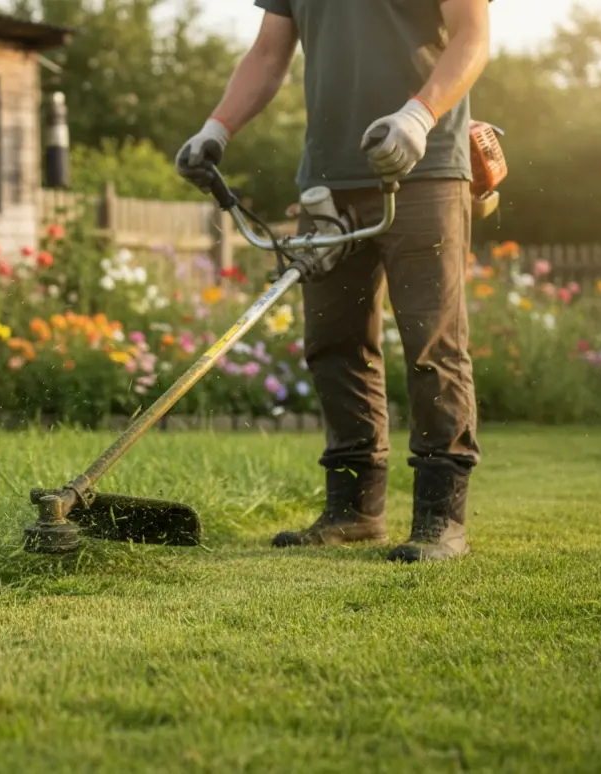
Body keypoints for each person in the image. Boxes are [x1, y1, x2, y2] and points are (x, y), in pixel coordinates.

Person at [175, 0, 492, 562]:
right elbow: (269, 53)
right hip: (328, 177)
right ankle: (355, 510)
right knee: (333, 343)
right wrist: (215, 128)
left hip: (424, 165)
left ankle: (441, 519)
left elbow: (472, 38)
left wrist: (418, 115)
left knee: (432, 344)